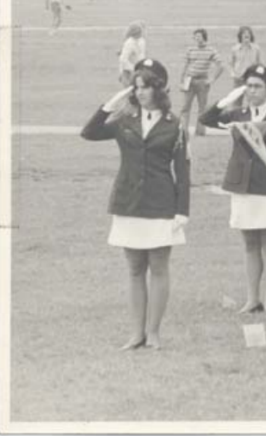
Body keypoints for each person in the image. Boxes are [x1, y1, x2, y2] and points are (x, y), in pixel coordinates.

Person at [80, 59, 190, 350]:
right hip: (129, 202)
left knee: (159, 267)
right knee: (134, 268)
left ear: (159, 89)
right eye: (136, 87)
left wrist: (182, 211)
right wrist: (112, 101)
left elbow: (183, 170)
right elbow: (89, 132)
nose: (140, 93)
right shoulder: (123, 119)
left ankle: (153, 333)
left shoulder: (175, 125)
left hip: (160, 204)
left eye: (146, 87)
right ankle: (136, 333)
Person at [200, 64, 266, 313]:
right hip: (243, 185)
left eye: (257, 86)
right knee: (250, 243)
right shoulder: (238, 114)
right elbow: (206, 120)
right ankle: (252, 297)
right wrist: (226, 100)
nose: (252, 91)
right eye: (248, 86)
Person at [179, 29, 224, 137]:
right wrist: (182, 81)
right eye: (195, 37)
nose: (197, 39)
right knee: (185, 107)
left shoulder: (211, 50)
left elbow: (221, 66)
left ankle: (200, 132)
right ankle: (184, 132)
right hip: (190, 80)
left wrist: (212, 80)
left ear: (204, 37)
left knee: (202, 108)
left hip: (202, 81)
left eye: (199, 36)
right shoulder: (190, 50)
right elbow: (185, 66)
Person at [118, 21, 147, 86]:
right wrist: (133, 69)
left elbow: (141, 56)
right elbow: (123, 59)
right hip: (128, 72)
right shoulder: (129, 43)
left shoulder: (142, 41)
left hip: (139, 71)